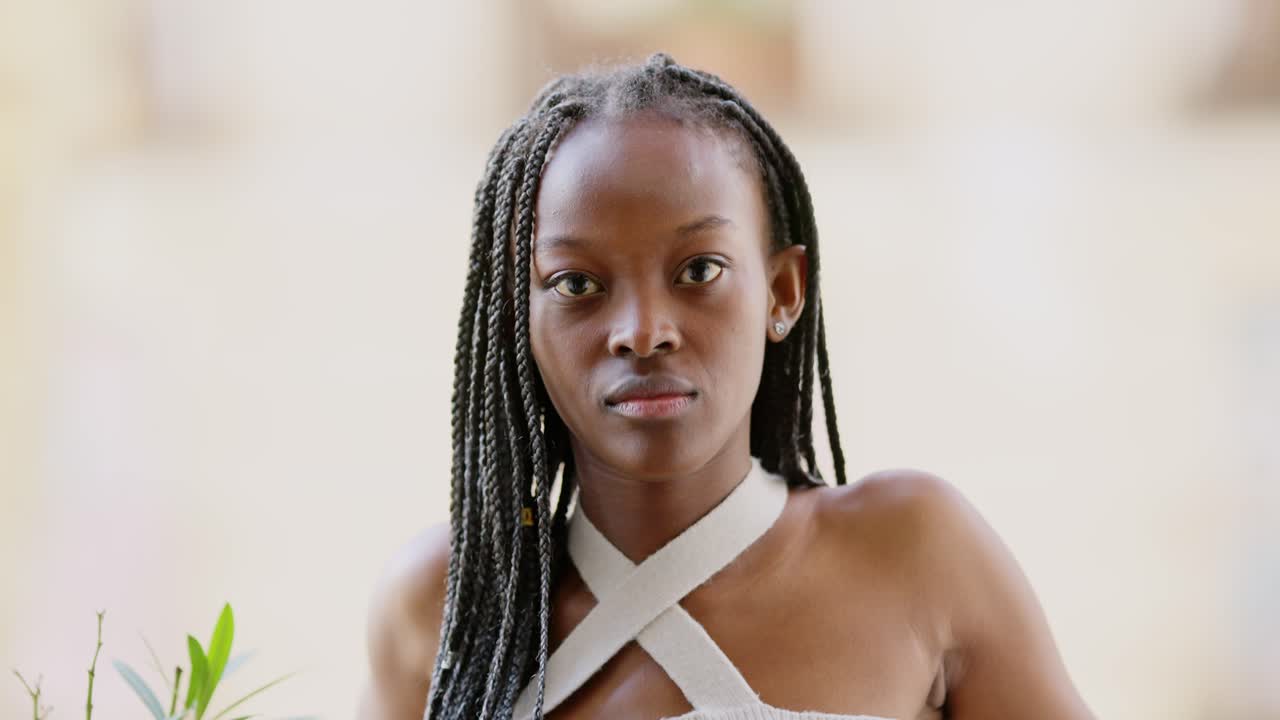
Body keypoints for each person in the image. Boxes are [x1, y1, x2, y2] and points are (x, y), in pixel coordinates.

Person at [358, 53, 1094, 720]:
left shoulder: (916, 554)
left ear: (782, 291)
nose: (643, 332)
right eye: (578, 283)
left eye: (699, 271)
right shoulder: (444, 606)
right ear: (519, 319)